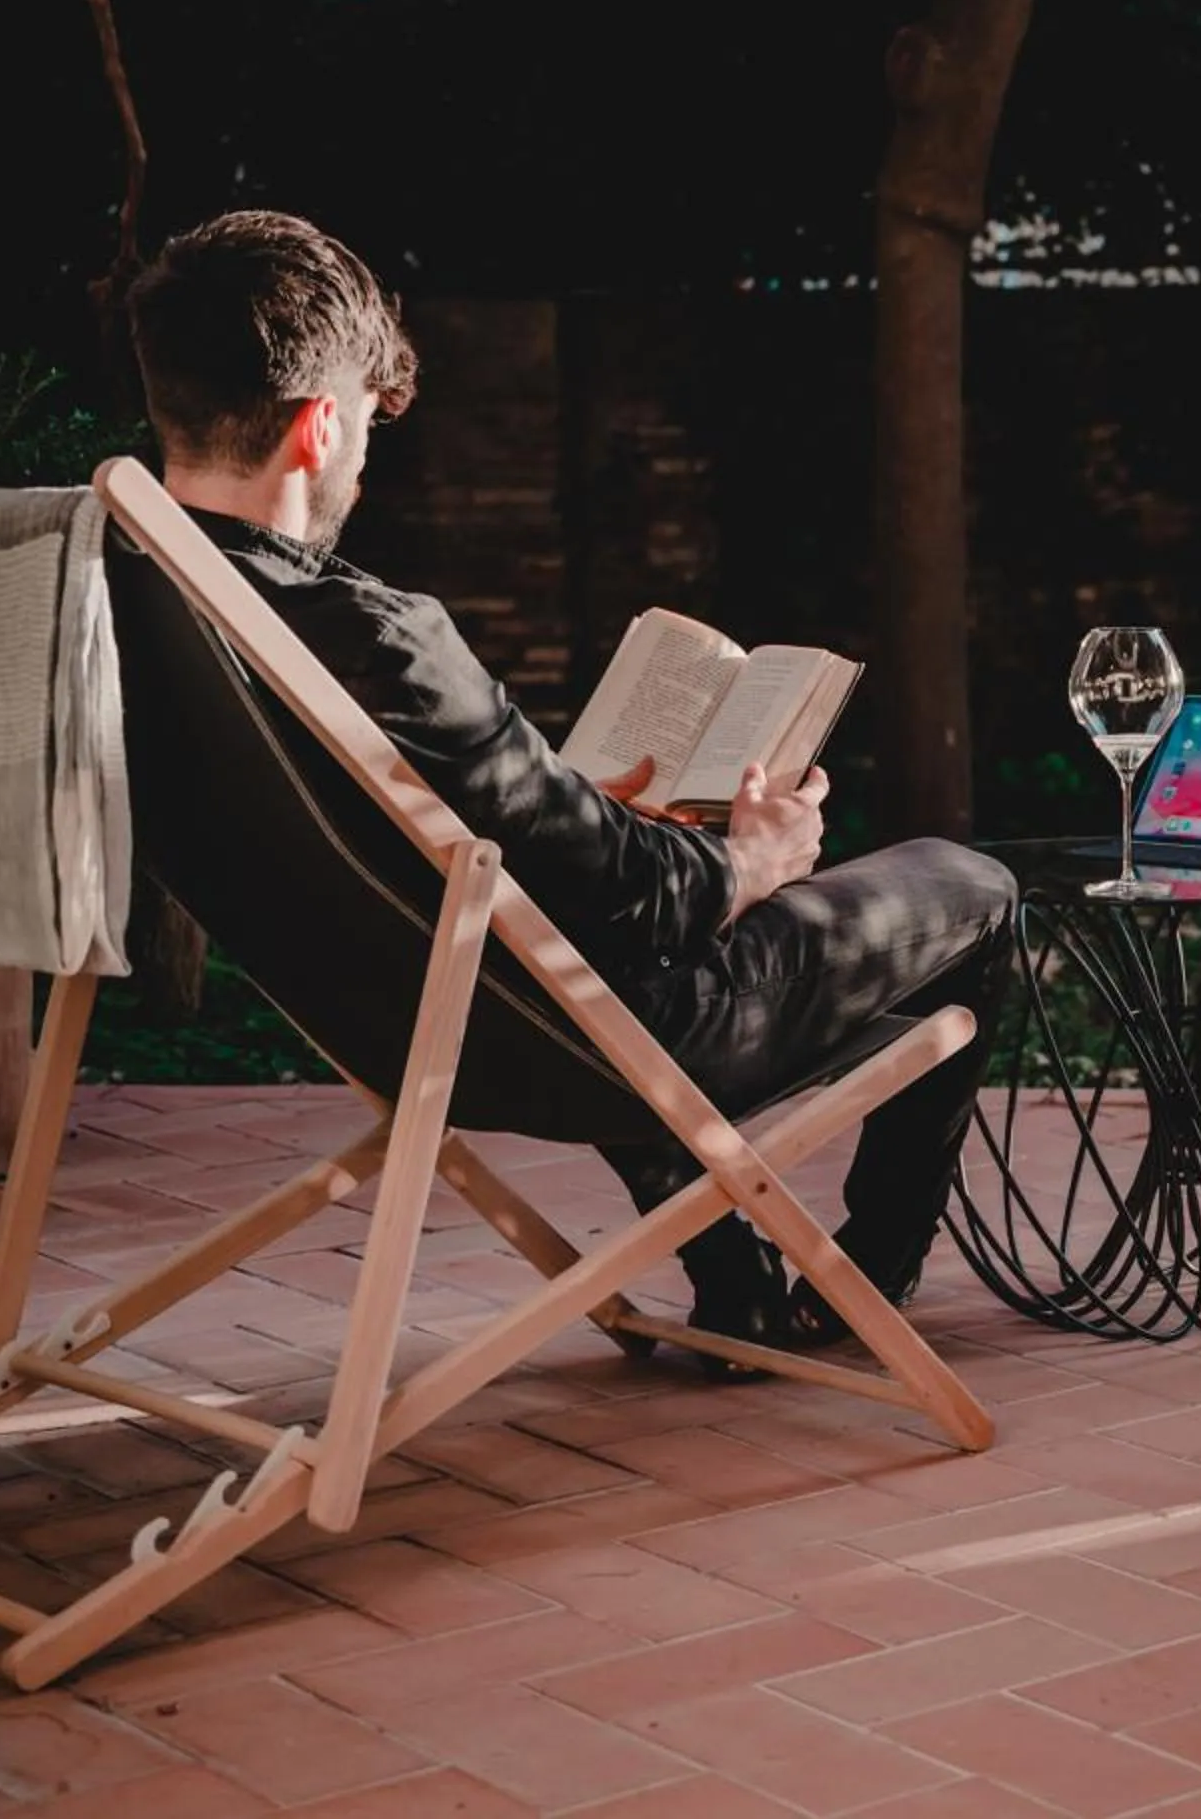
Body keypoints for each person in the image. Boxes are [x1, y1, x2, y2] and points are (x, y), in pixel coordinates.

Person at [120, 209, 1016, 1370]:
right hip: (575, 1035)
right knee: (972, 884)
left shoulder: (121, 603)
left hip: (395, 1014)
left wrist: (563, 803)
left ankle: (735, 1276)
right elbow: (638, 904)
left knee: (584, 919)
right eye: (359, 439)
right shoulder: (379, 637)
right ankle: (859, 1285)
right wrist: (753, 854)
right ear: (318, 427)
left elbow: (477, 849)